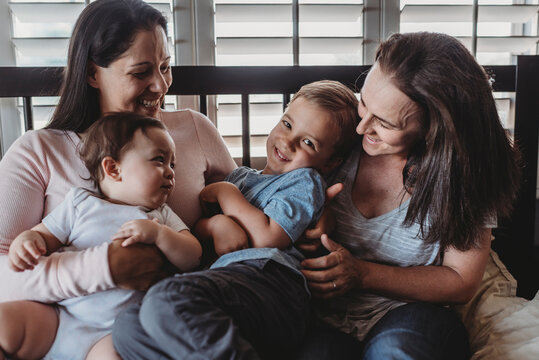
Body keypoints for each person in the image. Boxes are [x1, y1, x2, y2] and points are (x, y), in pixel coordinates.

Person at [0, 0, 236, 359]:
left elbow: (256, 199)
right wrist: (104, 266)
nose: (160, 85)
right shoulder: (39, 151)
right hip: (57, 319)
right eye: (140, 72)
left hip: (134, 327)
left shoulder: (194, 129)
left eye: (165, 67)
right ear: (93, 73)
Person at [293, 32, 522, 360]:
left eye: (384, 122)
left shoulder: (465, 176)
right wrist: (306, 234)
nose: (362, 128)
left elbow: (461, 280)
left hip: (412, 315)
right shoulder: (338, 138)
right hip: (327, 317)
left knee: (396, 352)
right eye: (364, 103)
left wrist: (362, 273)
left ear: (435, 128)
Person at [111, 80, 361, 359]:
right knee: (128, 326)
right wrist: (216, 224)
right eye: (287, 124)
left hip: (274, 282)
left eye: (308, 142)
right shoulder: (242, 177)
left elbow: (267, 237)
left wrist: (228, 195)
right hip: (228, 283)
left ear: (329, 163)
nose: (287, 141)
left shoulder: (304, 181)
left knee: (166, 300)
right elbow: (203, 235)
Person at [5, 113, 203, 360]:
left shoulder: (160, 216)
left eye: (173, 164)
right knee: (4, 323)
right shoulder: (79, 203)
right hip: (58, 316)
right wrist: (26, 242)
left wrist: (160, 235)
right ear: (113, 168)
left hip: (111, 332)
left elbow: (193, 255)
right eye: (159, 160)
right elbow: (44, 236)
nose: (171, 172)